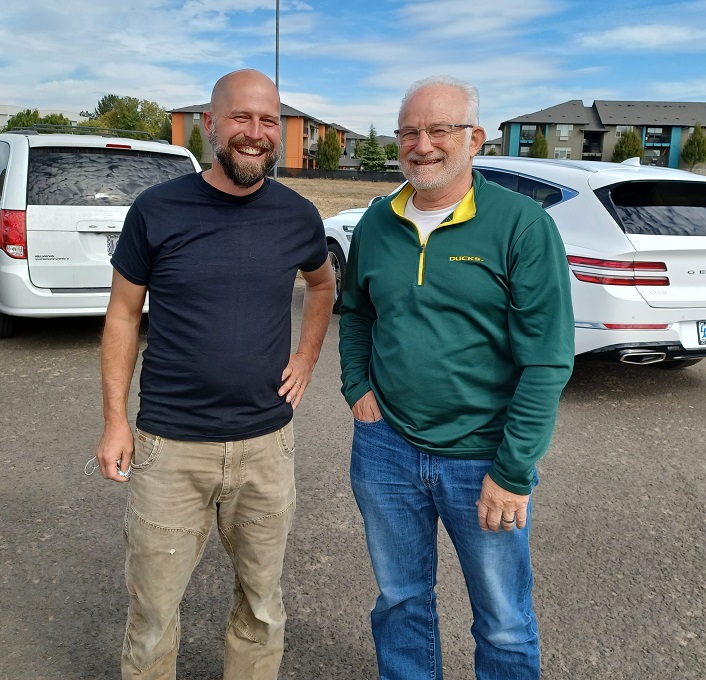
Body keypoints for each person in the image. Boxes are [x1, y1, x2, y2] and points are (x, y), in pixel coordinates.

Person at [95, 68, 335, 680]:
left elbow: (322, 284)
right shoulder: (157, 210)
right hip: (169, 449)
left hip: (265, 448)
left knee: (261, 608)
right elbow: (123, 316)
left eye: (268, 121)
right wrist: (115, 422)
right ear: (210, 124)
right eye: (240, 118)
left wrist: (306, 358)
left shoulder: (298, 216)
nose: (255, 133)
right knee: (151, 617)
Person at [339, 75, 574, 680]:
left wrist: (513, 471)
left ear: (474, 137)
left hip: (483, 459)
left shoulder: (521, 225)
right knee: (400, 601)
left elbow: (547, 359)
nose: (422, 145)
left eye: (438, 130)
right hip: (386, 449)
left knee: (502, 620)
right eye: (409, 132)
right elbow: (357, 313)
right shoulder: (377, 221)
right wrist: (357, 391)